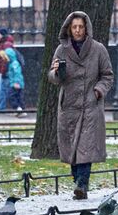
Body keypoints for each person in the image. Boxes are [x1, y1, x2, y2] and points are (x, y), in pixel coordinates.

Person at [48, 11, 114, 200]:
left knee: (86, 147)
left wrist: (98, 91)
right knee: (71, 148)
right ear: (69, 28)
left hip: (90, 105)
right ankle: (78, 181)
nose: (77, 30)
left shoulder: (98, 49)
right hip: (68, 105)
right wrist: (56, 72)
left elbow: (108, 75)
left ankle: (82, 185)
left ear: (87, 29)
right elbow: (53, 78)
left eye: (81, 27)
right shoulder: (61, 50)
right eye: (74, 27)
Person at [2, 47, 27, 117]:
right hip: (15, 83)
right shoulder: (12, 63)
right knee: (17, 96)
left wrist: (16, 82)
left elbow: (17, 74)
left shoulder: (14, 64)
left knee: (12, 96)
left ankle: (18, 108)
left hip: (15, 84)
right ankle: (20, 109)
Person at [0, 28, 14, 111]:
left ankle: (2, 107)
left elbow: (6, 60)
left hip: (5, 71)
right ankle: (2, 106)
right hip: (4, 71)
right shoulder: (3, 44)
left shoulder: (6, 44)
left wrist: (3, 71)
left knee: (2, 89)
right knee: (2, 89)